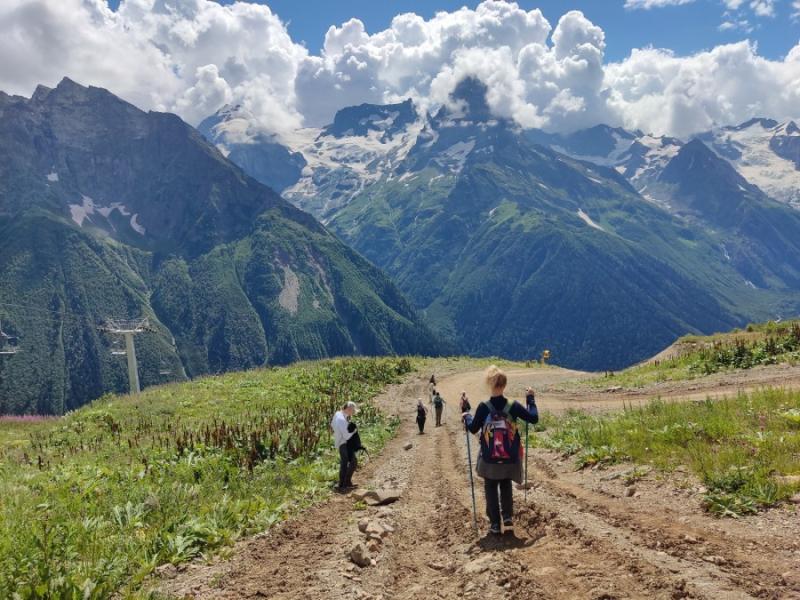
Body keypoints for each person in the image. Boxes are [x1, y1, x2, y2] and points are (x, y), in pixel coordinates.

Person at [463, 365, 538, 535]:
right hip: (509, 457)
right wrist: (530, 398)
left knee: (490, 486)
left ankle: (495, 524)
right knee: (505, 483)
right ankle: (508, 518)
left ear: (489, 383)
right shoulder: (513, 405)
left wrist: (466, 414)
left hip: (490, 458)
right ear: (504, 385)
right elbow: (533, 418)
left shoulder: (483, 407)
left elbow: (473, 429)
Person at [331, 401, 359, 492]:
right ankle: (343, 484)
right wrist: (354, 431)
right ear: (348, 408)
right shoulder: (341, 419)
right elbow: (347, 435)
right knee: (351, 462)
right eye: (353, 410)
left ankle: (344, 484)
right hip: (344, 443)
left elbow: (332, 425)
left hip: (341, 442)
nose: (353, 412)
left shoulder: (338, 415)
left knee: (346, 462)